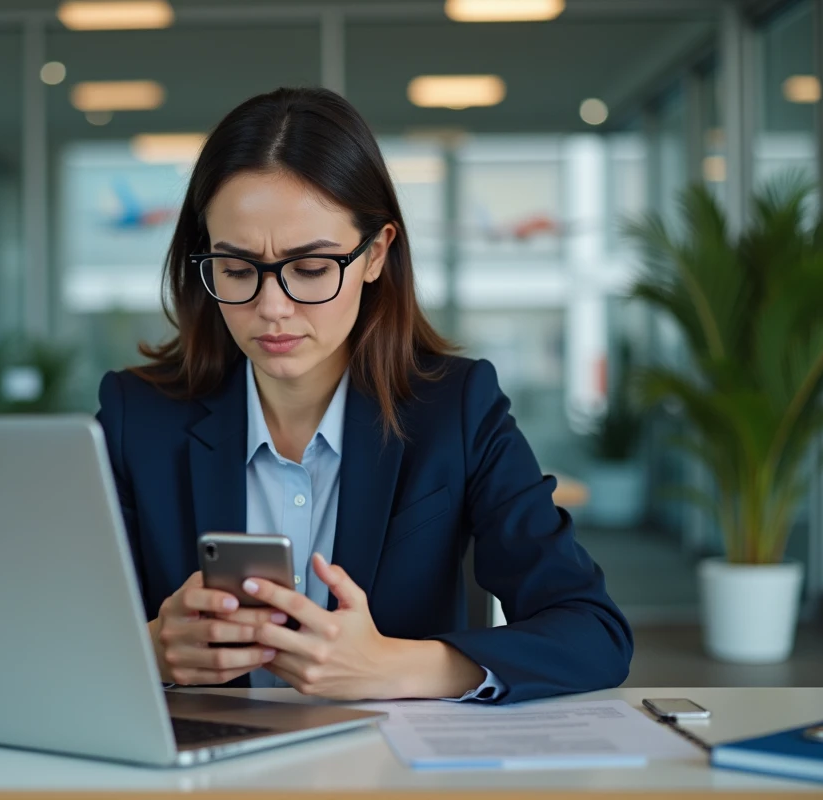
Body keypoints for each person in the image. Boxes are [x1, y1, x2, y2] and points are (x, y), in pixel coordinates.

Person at [96, 87, 632, 703]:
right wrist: (149, 648)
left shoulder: (456, 410)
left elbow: (594, 632)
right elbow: (43, 634)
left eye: (312, 269)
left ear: (375, 253)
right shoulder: (136, 418)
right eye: (237, 269)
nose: (272, 308)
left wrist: (396, 667)